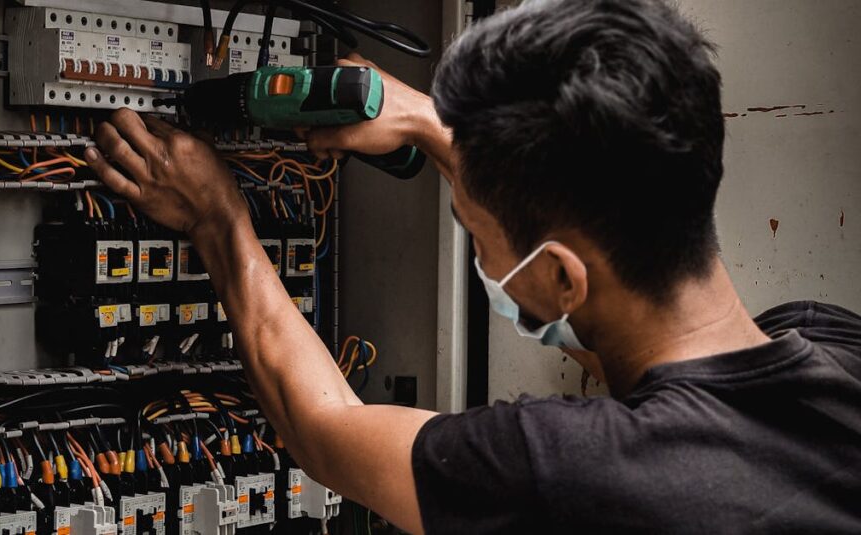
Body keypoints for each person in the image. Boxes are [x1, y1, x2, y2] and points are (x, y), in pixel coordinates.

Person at [83, 0, 861, 531]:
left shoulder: (574, 469)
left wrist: (217, 219)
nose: (478, 252)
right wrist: (429, 123)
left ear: (561, 277)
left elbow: (326, 428)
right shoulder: (831, 347)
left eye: (474, 231)